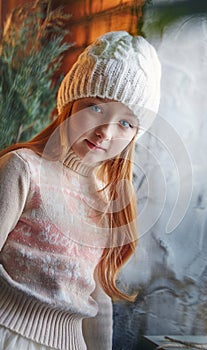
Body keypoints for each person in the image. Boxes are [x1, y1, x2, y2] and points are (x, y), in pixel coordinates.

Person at [0, 31, 161, 350]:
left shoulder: (108, 200)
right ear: (70, 105)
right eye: (96, 108)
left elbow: (98, 303)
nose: (105, 131)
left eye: (126, 123)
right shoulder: (24, 169)